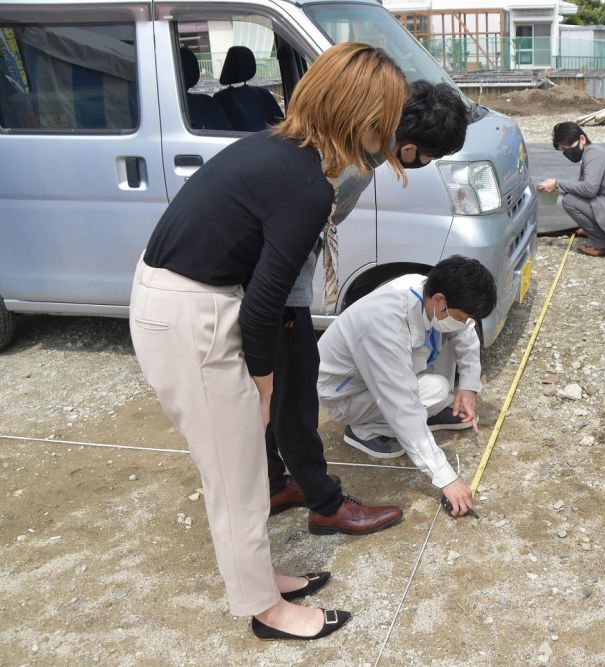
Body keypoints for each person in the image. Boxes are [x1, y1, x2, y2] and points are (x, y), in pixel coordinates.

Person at [129, 42, 408, 640]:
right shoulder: (308, 186)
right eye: (385, 119)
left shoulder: (275, 149)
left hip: (183, 298)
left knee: (246, 472)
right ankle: (266, 612)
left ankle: (260, 579)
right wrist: (263, 382)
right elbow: (264, 302)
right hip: (191, 315)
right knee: (234, 476)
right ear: (363, 119)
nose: (387, 134)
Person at [266, 80, 470, 536]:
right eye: (430, 158)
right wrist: (445, 476)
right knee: (289, 401)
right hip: (274, 290)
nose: (424, 166)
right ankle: (324, 503)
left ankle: (278, 482)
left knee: (277, 400)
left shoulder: (321, 145)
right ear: (411, 145)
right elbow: (293, 240)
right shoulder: (347, 166)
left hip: (277, 286)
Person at [315, 256, 497, 517]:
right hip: (345, 396)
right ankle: (363, 430)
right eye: (462, 316)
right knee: (434, 391)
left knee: (440, 376)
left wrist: (468, 386)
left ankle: (428, 413)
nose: (464, 322)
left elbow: (463, 332)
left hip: (378, 378)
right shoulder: (382, 324)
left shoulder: (426, 290)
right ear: (439, 300)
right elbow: (402, 406)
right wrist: (446, 477)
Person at [537, 121, 605, 257]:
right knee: (574, 195)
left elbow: (589, 189)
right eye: (562, 150)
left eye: (567, 147)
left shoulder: (592, 154)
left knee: (569, 201)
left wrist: (557, 183)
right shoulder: (596, 152)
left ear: (582, 139)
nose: (566, 153)